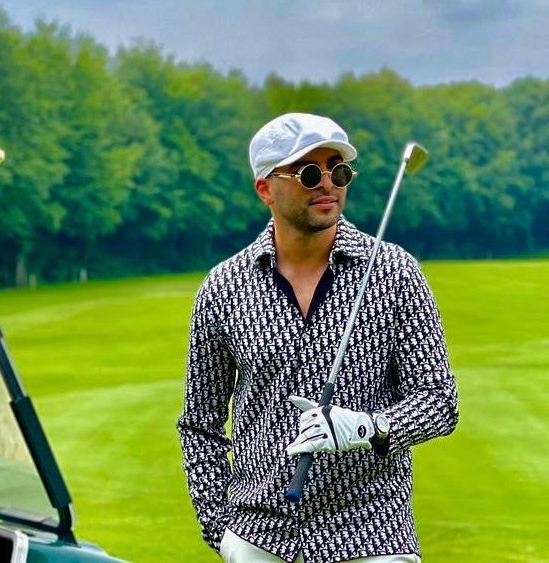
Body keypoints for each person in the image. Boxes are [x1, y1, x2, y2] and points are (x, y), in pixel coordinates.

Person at [177, 113, 458, 563]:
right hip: (259, 537)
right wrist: (220, 529)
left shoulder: (394, 271)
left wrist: (369, 427)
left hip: (370, 534)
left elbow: (439, 402)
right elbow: (200, 423)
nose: (327, 183)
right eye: (308, 173)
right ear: (265, 189)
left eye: (338, 170)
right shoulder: (223, 287)